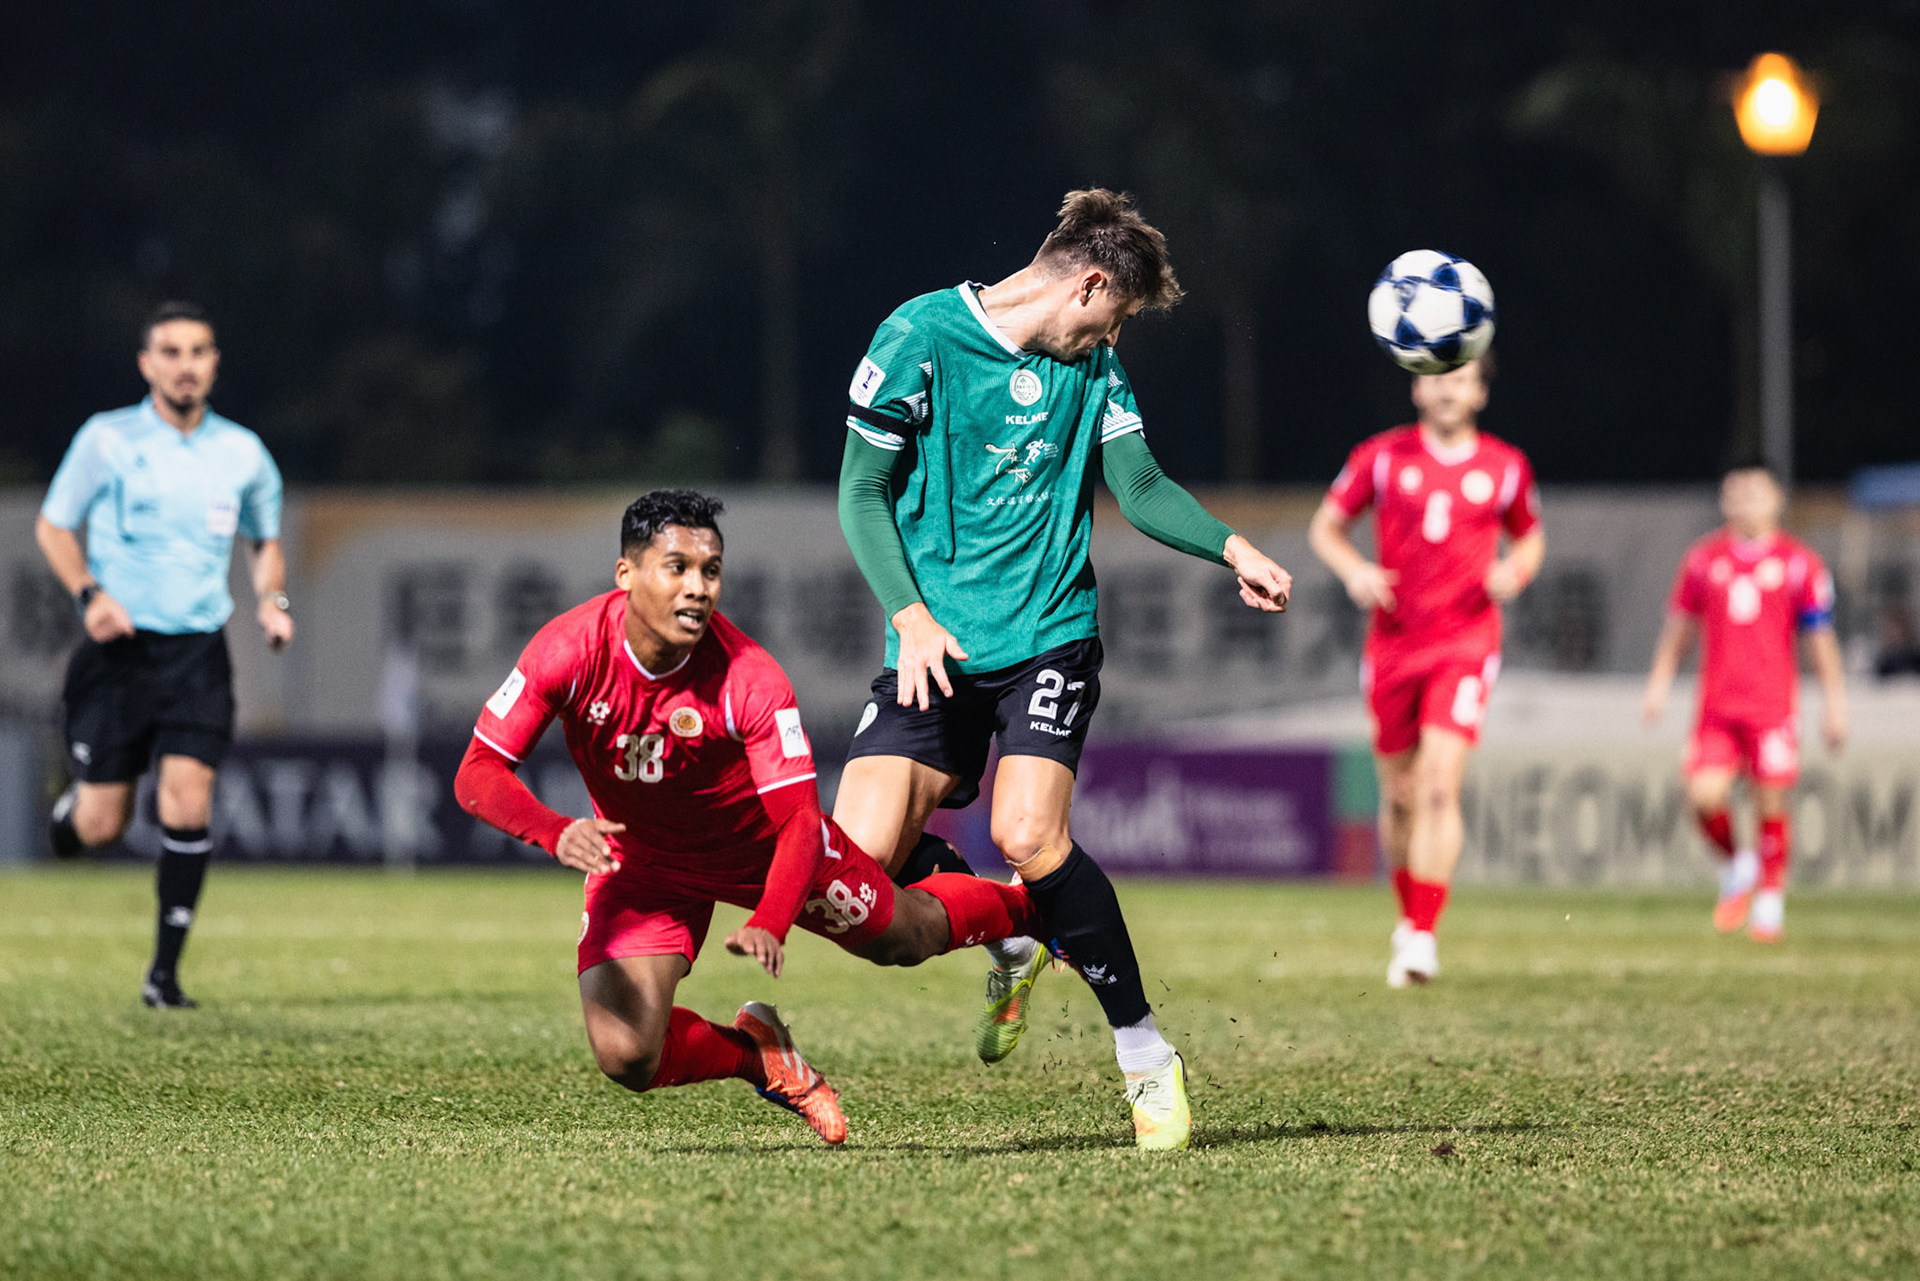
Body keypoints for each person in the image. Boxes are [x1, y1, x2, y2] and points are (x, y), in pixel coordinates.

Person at [832, 189, 1294, 1151]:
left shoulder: (1096, 372)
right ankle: (1007, 932)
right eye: (1115, 317)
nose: (1111, 338)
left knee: (1029, 833)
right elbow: (861, 490)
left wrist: (1231, 546)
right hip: (935, 645)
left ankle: (1142, 1052)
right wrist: (910, 615)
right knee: (857, 880)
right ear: (1087, 284)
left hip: (1048, 631)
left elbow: (1140, 486)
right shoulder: (919, 338)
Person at [453, 490, 1045, 1146]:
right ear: (626, 575)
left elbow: (797, 821)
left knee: (906, 940)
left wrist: (769, 918)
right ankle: (758, 1054)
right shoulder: (568, 650)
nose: (698, 587)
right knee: (627, 1054)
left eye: (710, 571)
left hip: (764, 854)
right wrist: (556, 829)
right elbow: (478, 772)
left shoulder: (749, 678)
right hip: (645, 860)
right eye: (676, 567)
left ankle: (1031, 912)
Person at [37, 301, 294, 1010]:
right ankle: (71, 817)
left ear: (215, 363)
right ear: (147, 364)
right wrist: (90, 593)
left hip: (196, 655)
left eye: (199, 351)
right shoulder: (107, 439)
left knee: (188, 799)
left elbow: (264, 537)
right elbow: (54, 525)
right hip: (117, 653)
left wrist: (272, 600)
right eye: (171, 352)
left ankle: (164, 975)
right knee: (101, 825)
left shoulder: (242, 452)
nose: (186, 365)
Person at [1307, 355, 1543, 988]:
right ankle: (1409, 917)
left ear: (1481, 392)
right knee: (1401, 797)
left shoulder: (1505, 466)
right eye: (1438, 375)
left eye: (1462, 378)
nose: (1448, 389)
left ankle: (1422, 934)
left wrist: (1513, 572)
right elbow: (1326, 528)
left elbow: (1530, 537)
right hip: (1392, 645)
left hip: (1465, 642)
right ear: (1417, 384)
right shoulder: (1381, 458)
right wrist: (1355, 570)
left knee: (1440, 785)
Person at [1642, 463, 1846, 941]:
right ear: (1723, 500)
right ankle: (1740, 865)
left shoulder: (1800, 564)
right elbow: (1680, 628)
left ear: (1777, 500)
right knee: (1701, 796)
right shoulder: (1703, 559)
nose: (1746, 501)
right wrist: (1658, 681)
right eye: (1736, 493)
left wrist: (1834, 702)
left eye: (1756, 492)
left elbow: (1820, 639)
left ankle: (1770, 901)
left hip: (1772, 707)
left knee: (1769, 800)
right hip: (1716, 708)